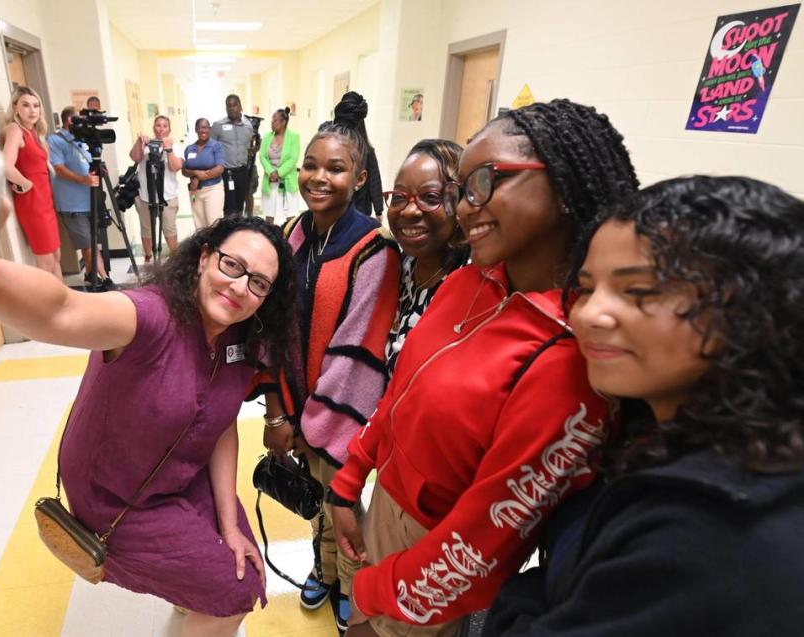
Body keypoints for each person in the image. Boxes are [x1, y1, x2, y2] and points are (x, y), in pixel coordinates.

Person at [0, 134, 298, 637]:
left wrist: (230, 524)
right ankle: (200, 601)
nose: (239, 287)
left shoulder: (240, 341)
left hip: (182, 474)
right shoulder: (148, 316)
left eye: (258, 282)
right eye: (232, 266)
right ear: (204, 257)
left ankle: (190, 594)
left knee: (244, 558)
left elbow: (220, 426)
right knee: (234, 593)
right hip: (118, 500)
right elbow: (61, 309)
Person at [329, 99, 640, 637]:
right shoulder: (468, 283)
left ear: (563, 187)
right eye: (463, 190)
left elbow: (476, 551)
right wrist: (351, 478)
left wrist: (370, 591)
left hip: (434, 552)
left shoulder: (570, 356)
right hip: (384, 503)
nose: (467, 206)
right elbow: (401, 393)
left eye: (485, 182)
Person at [483, 175, 804, 636]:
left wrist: (524, 598)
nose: (589, 314)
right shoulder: (707, 438)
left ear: (752, 309)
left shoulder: (715, 530)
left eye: (639, 292)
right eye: (588, 288)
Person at [256, 111, 401, 635]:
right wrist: (278, 411)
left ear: (359, 179)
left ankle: (350, 584)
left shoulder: (375, 251)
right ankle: (323, 567)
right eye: (311, 166)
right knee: (317, 498)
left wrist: (312, 421)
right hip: (295, 402)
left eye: (336, 169)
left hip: (340, 413)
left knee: (343, 502)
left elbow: (358, 346)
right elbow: (272, 324)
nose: (319, 177)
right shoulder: (294, 232)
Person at [382, 139, 469, 376]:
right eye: (399, 196)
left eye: (430, 197)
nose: (409, 210)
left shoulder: (472, 287)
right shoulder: (397, 267)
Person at [47, 106, 115, 289]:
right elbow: (58, 168)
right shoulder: (55, 140)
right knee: (88, 243)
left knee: (91, 242)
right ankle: (105, 277)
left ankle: (89, 275)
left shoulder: (83, 140)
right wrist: (83, 180)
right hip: (72, 204)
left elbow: (87, 162)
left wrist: (98, 169)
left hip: (91, 199)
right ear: (70, 120)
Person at [2, 85, 62, 280]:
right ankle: (48, 309)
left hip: (46, 202)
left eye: (36, 106)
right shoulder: (15, 130)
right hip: (33, 204)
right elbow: (5, 165)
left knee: (56, 257)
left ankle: (65, 304)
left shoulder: (34, 133)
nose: (32, 110)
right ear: (15, 107)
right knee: (46, 263)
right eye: (26, 105)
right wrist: (26, 184)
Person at [130, 115, 184, 259]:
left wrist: (169, 149)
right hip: (146, 196)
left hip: (167, 196)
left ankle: (175, 259)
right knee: (146, 230)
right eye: (158, 125)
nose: (161, 129)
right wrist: (140, 141)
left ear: (169, 129)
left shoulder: (175, 146)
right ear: (154, 127)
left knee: (169, 229)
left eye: (164, 126)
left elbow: (176, 167)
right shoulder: (145, 145)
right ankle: (148, 257)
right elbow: (135, 158)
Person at [334, 92, 384, 223]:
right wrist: (379, 211)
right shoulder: (367, 150)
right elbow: (374, 181)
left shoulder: (332, 146)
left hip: (335, 207)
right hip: (360, 209)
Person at [212, 94, 259, 217]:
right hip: (226, 173)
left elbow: (252, 144)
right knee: (228, 206)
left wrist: (255, 148)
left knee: (240, 204)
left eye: (235, 105)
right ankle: (228, 230)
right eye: (229, 105)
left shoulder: (248, 126)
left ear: (240, 106)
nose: (232, 108)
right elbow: (211, 147)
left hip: (242, 172)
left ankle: (238, 228)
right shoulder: (218, 126)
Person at [258, 107, 300, 225]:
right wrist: (271, 172)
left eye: (275, 120)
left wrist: (279, 173)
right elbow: (262, 156)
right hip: (270, 179)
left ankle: (290, 239)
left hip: (287, 180)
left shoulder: (293, 137)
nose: (272, 122)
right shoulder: (267, 136)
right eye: (272, 120)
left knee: (290, 216)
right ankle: (269, 238)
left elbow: (293, 158)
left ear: (283, 122)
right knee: (269, 215)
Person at [183, 118, 225, 229]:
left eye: (206, 127)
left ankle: (214, 246)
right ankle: (202, 246)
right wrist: (195, 173)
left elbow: (219, 169)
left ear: (209, 129)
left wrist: (198, 178)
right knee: (199, 224)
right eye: (200, 127)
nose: (203, 130)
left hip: (213, 189)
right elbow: (184, 170)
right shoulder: (189, 149)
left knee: (213, 224)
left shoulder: (216, 146)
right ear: (196, 129)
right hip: (194, 192)